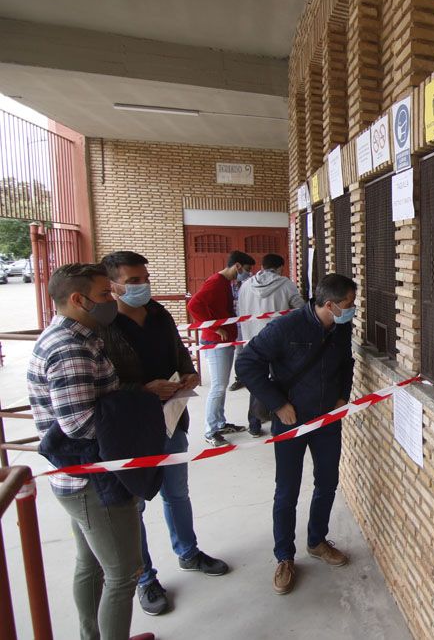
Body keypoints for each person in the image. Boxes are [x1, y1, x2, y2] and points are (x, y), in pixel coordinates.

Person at [26, 263, 155, 640]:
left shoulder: (83, 336)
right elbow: (81, 426)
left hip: (83, 478)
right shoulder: (69, 349)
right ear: (77, 299)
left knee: (91, 564)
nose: (111, 300)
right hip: (91, 480)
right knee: (123, 573)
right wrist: (142, 409)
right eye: (104, 294)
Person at [99, 251, 230, 616]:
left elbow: (178, 353)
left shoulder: (158, 313)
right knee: (135, 504)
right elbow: (101, 384)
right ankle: (144, 577)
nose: (143, 286)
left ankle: (188, 552)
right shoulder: (103, 325)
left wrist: (188, 373)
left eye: (144, 278)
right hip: (130, 428)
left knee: (177, 493)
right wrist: (141, 390)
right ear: (113, 286)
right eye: (133, 280)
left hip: (172, 418)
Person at [235, 273, 356, 595]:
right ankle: (284, 557)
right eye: (348, 305)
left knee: (327, 483)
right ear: (329, 304)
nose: (351, 310)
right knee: (286, 491)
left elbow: (347, 363)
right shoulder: (285, 328)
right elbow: (246, 364)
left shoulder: (341, 327)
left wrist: (342, 396)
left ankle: (317, 541)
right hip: (290, 421)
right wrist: (277, 405)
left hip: (328, 420)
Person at [187, 250, 255, 446]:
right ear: (238, 266)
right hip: (215, 342)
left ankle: (219, 422)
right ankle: (210, 430)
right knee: (217, 387)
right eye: (247, 269)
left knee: (221, 385)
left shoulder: (225, 283)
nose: (248, 274)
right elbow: (194, 305)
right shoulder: (216, 282)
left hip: (223, 341)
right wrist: (215, 328)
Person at [236, 253, 306, 437]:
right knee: (277, 380)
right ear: (280, 267)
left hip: (252, 340)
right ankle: (278, 418)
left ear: (262, 266)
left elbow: (240, 311)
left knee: (257, 381)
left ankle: (254, 423)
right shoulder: (286, 284)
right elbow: (300, 309)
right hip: (279, 341)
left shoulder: (245, 285)